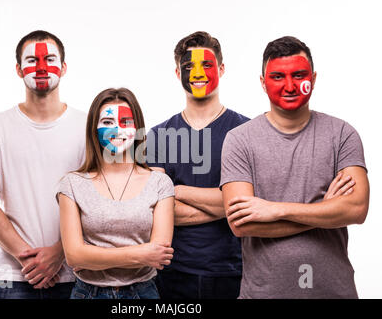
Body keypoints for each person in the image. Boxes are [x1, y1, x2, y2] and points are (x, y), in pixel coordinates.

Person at [221, 36, 369, 299]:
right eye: (278, 77)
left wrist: (274, 209)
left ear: (312, 78)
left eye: (298, 75)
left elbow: (356, 209)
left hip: (333, 293)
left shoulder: (342, 134)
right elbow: (242, 224)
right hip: (263, 294)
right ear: (263, 83)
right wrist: (325, 212)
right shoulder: (239, 139)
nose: (289, 86)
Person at [0, 30, 87, 299]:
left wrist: (59, 252)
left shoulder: (88, 127)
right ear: (19, 70)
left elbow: (98, 199)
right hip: (11, 277)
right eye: (32, 60)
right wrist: (29, 260)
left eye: (50, 59)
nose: (41, 67)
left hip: (75, 276)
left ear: (64, 68)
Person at [146, 31, 249, 299]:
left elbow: (247, 205)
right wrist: (225, 202)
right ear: (177, 73)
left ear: (222, 69)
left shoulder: (247, 131)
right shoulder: (157, 136)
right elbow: (154, 211)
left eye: (206, 64)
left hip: (234, 271)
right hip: (172, 273)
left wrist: (175, 191)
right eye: (188, 66)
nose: (197, 73)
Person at [57, 88, 175, 299]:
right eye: (108, 123)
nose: (117, 129)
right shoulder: (72, 184)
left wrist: (93, 256)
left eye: (126, 122)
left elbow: (158, 255)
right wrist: (140, 254)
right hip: (88, 293)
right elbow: (74, 256)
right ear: (94, 128)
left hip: (143, 293)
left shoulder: (159, 183)